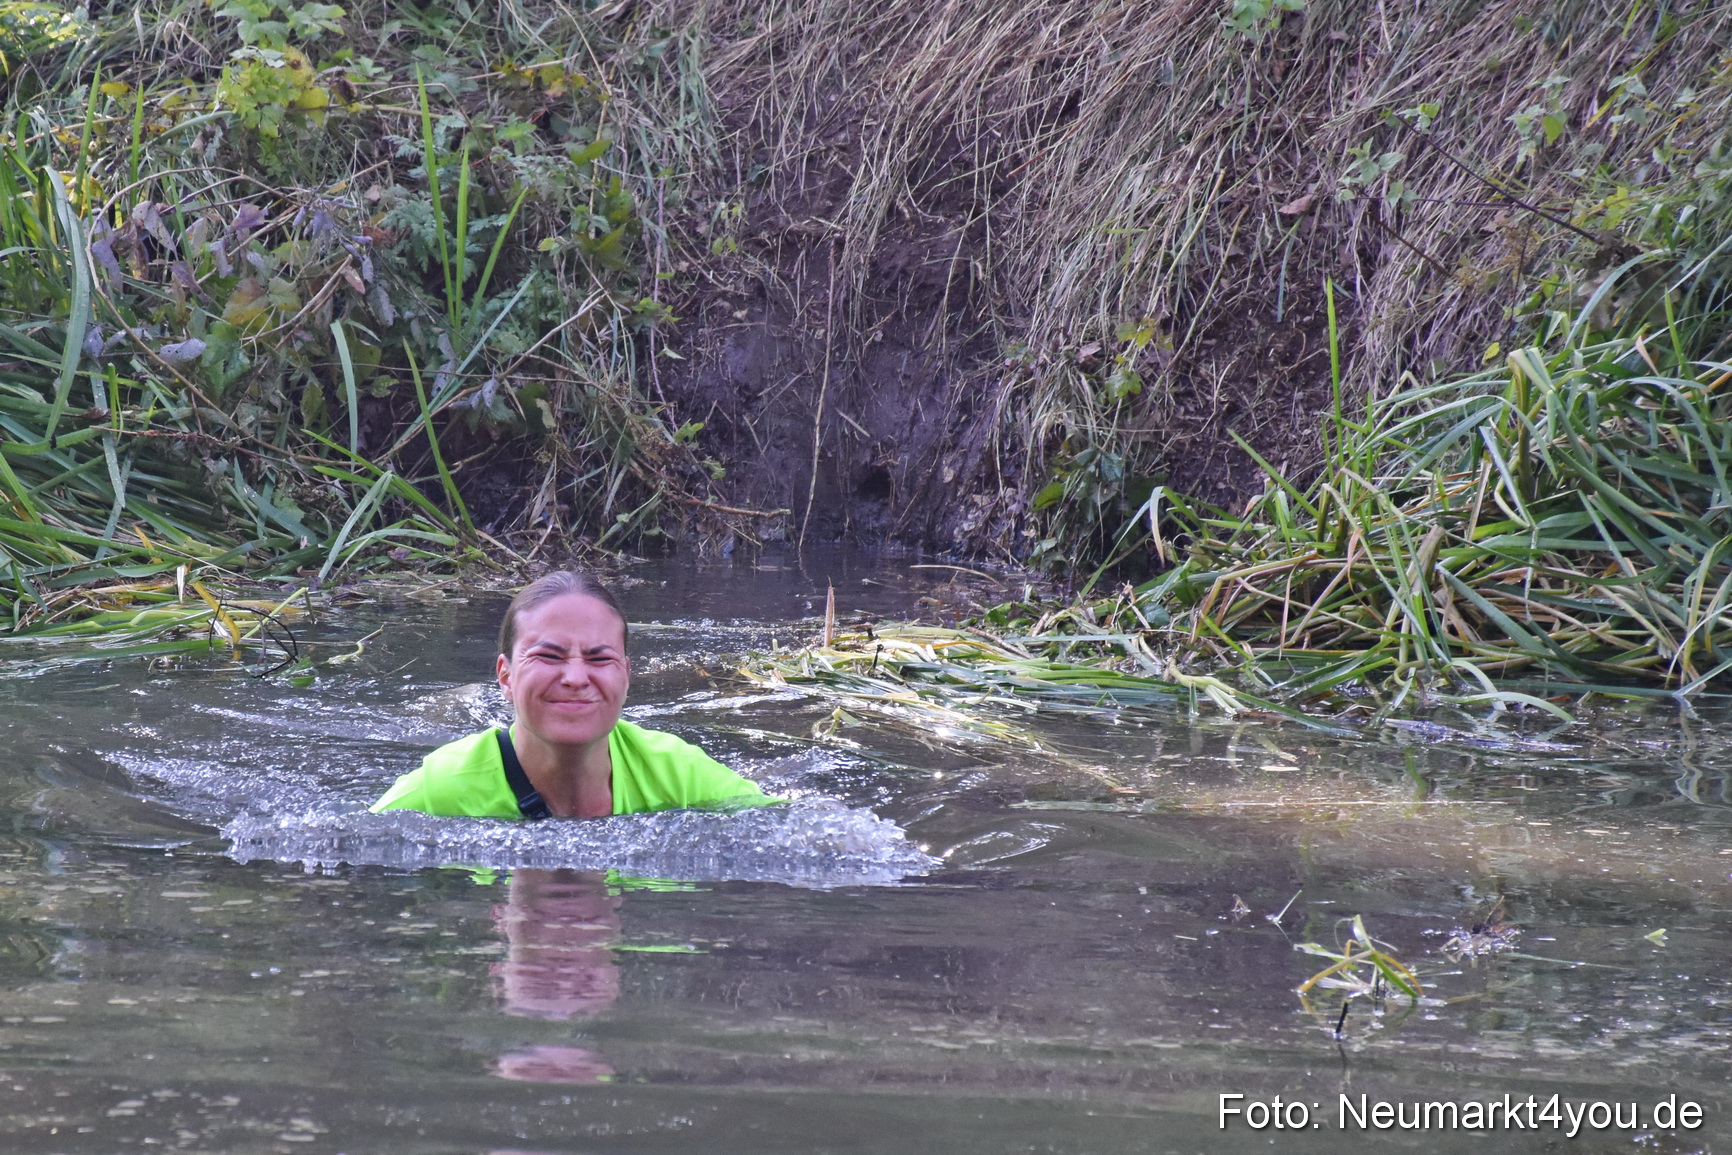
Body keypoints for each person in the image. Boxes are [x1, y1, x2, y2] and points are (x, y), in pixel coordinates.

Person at [371, 570, 769, 819]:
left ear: (626, 677)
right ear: (505, 677)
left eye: (599, 658)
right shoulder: (438, 790)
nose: (576, 677)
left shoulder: (679, 775)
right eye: (548, 656)